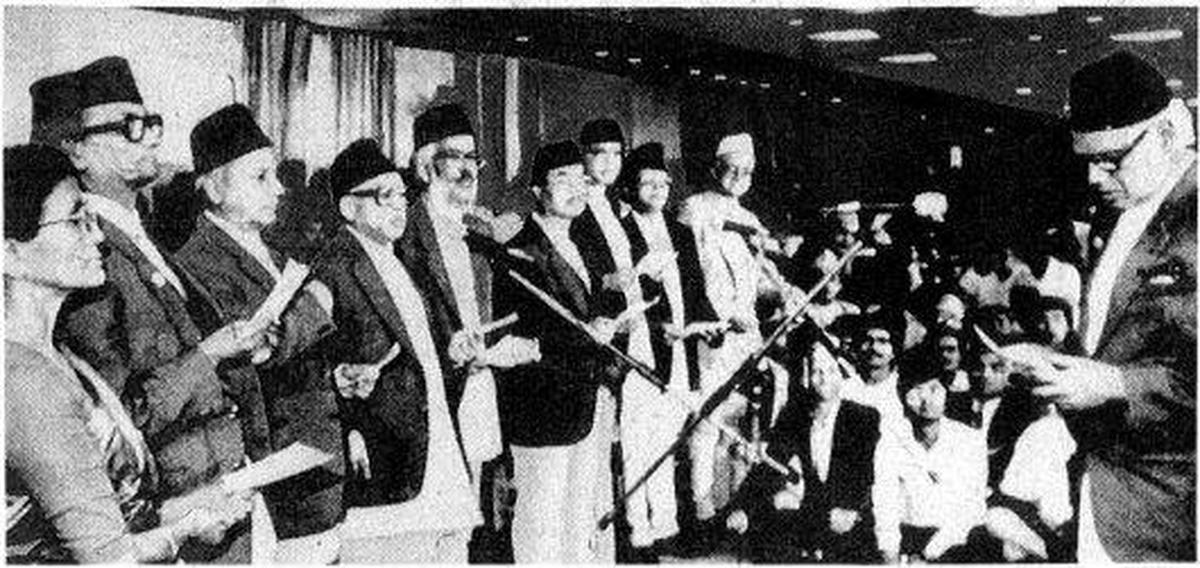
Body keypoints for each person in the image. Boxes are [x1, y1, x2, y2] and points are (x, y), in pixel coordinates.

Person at [33, 57, 266, 560]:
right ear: (77, 150)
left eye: (152, 122)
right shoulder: (86, 265)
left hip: (225, 497)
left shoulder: (145, 234)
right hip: (176, 518)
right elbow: (119, 417)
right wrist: (208, 355)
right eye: (130, 126)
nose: (152, 137)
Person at [4, 144, 250, 563]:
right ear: (9, 251)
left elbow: (105, 513)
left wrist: (186, 512)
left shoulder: (56, 356)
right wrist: (180, 532)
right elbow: (108, 559)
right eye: (76, 222)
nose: (98, 236)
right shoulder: (25, 380)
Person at [1025, 50, 1196, 562]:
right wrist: (1060, 358)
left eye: (1111, 159)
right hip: (1104, 496)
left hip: (1172, 513)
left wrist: (1113, 384)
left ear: (1167, 133)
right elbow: (1119, 338)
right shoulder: (1119, 213)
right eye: (1088, 162)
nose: (1095, 179)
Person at [173, 104, 340, 539]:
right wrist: (317, 305)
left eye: (276, 175)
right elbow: (257, 348)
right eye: (260, 176)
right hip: (276, 478)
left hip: (315, 464)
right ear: (213, 188)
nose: (280, 188)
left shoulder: (273, 250)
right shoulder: (197, 264)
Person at [313, 139, 480, 562]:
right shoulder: (334, 268)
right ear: (349, 208)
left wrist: (452, 352)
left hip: (434, 441)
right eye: (384, 196)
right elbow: (318, 363)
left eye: (402, 195)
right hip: (383, 452)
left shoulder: (403, 260)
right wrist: (348, 426)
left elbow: (421, 354)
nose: (399, 206)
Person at [492, 140, 619, 563]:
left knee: (579, 519)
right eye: (562, 178)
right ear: (537, 190)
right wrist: (588, 336)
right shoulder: (518, 251)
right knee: (540, 523)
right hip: (541, 406)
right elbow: (519, 333)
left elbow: (602, 306)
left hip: (588, 401)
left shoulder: (584, 246)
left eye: (581, 179)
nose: (576, 188)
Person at [615, 142, 718, 556]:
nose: (658, 189)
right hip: (644, 353)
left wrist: (709, 326)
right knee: (639, 445)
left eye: (664, 182)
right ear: (630, 187)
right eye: (648, 182)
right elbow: (623, 301)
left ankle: (666, 525)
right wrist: (662, 329)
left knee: (667, 440)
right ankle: (639, 530)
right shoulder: (623, 232)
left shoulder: (680, 232)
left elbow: (695, 291)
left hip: (681, 354)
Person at [677, 131, 782, 523]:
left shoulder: (750, 220)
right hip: (713, 333)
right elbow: (692, 273)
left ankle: (737, 505)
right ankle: (702, 506)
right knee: (708, 419)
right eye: (731, 168)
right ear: (714, 169)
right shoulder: (693, 209)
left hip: (747, 334)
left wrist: (781, 290)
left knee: (744, 420)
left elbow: (760, 281)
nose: (739, 176)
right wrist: (719, 316)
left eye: (747, 171)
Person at [725, 339, 881, 563]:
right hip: (814, 515)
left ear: (842, 375)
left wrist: (852, 512)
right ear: (805, 377)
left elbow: (867, 475)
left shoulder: (863, 417)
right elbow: (769, 465)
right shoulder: (794, 415)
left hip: (851, 517)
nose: (824, 377)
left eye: (830, 370)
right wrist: (743, 509)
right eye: (816, 371)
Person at [873, 353, 988, 563]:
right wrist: (889, 553)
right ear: (902, 396)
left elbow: (973, 507)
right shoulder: (891, 439)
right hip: (907, 537)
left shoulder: (969, 440)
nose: (926, 400)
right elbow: (884, 501)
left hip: (954, 541)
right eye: (916, 391)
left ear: (946, 393)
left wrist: (928, 553)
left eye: (934, 389)